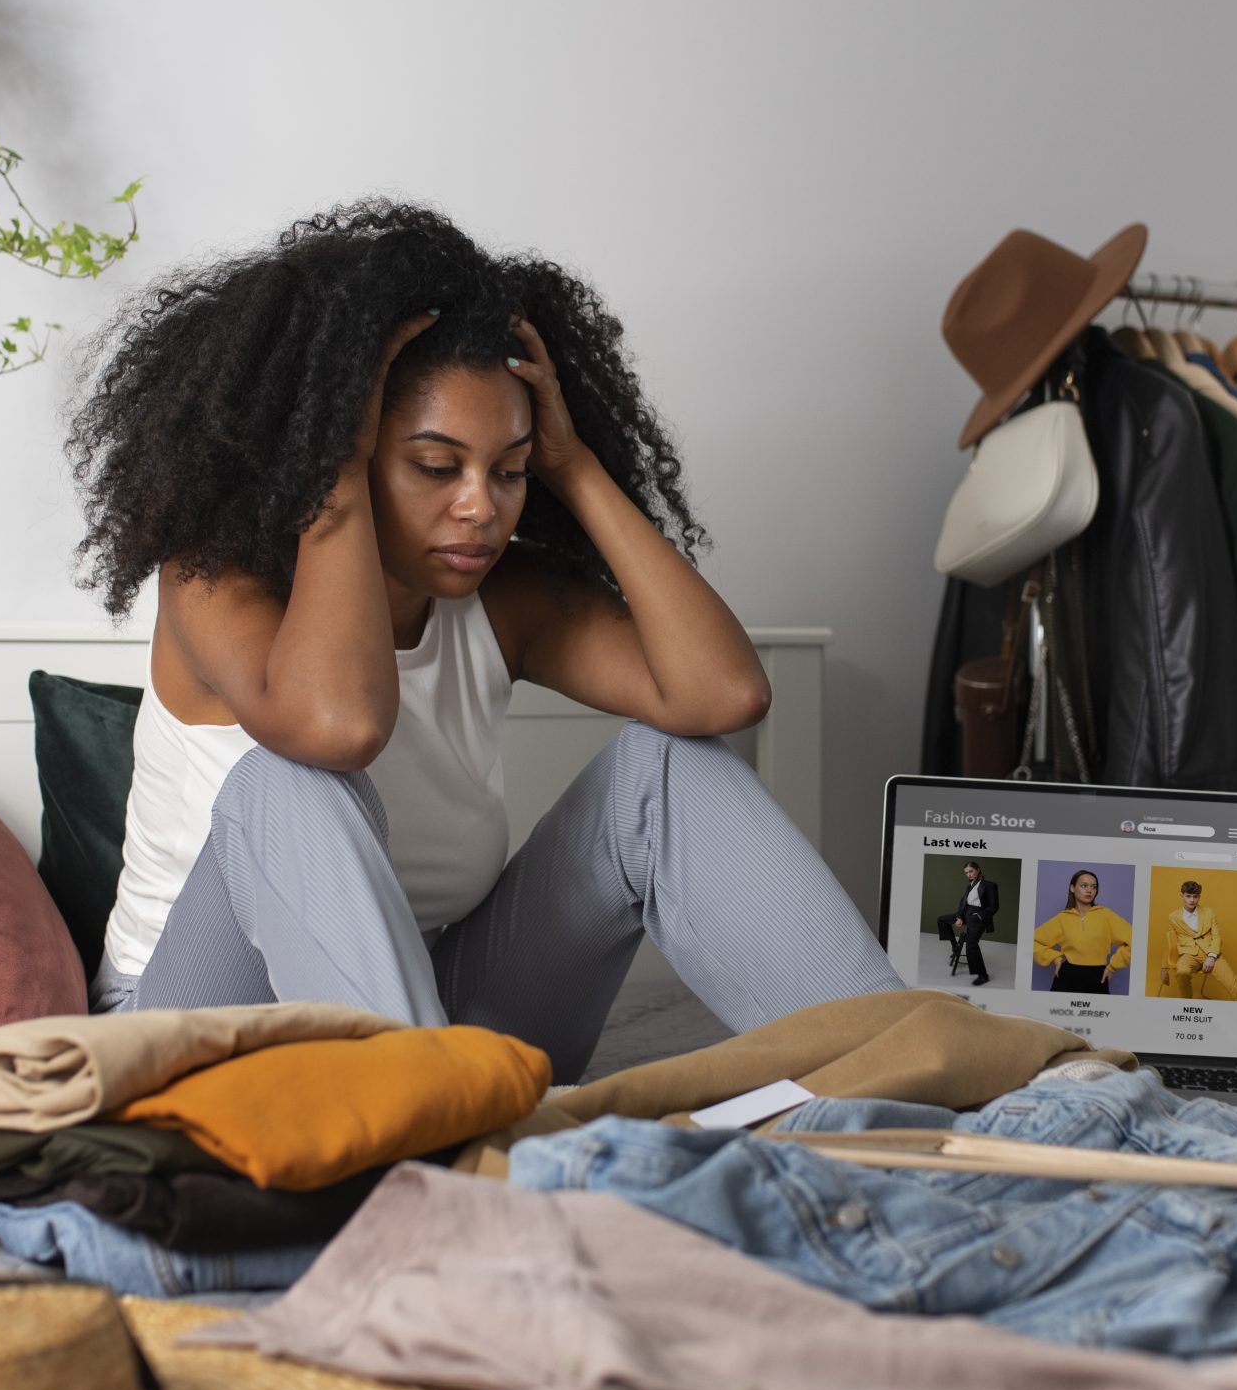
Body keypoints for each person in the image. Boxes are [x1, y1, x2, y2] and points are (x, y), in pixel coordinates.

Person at [66, 201, 905, 1080]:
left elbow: (725, 694)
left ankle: (911, 1076)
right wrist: (331, 476)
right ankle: (438, 1150)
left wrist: (573, 468)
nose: (481, 505)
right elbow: (338, 728)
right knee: (288, 779)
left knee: (665, 767)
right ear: (336, 451)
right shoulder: (214, 577)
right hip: (193, 1036)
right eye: (437, 466)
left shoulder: (500, 601)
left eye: (507, 469)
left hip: (417, 1018)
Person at [1031, 869, 1130, 995]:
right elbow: (1033, 941)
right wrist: (1056, 959)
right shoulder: (1063, 918)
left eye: (1093, 887)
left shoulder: (1106, 915)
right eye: (1084, 885)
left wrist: (1113, 967)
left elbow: (1134, 940)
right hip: (1067, 976)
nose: (1089, 890)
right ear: (1072, 888)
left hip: (1097, 977)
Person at [933, 861, 999, 987]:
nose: (969, 874)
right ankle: (955, 947)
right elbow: (962, 903)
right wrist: (958, 917)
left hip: (978, 917)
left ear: (978, 869)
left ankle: (983, 976)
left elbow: (994, 907)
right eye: (966, 873)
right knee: (941, 920)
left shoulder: (990, 885)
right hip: (965, 913)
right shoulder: (969, 886)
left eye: (971, 871)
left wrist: (978, 916)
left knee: (971, 945)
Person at [1165, 879, 1222, 1001]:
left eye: (1195, 897)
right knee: (1182, 973)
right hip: (1188, 955)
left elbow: (1217, 936)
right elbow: (1171, 943)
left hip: (1210, 952)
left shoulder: (1208, 912)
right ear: (1182, 896)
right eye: (1188, 896)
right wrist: (1163, 967)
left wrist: (1212, 956)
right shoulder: (1173, 916)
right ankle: (1185, 1005)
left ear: (1199, 897)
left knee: (1232, 983)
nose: (1192, 900)